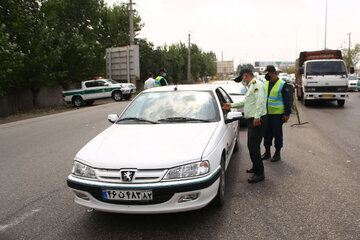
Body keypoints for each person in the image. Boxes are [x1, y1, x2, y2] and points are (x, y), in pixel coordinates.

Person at [223, 69, 267, 183]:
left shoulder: (257, 85)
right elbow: (246, 102)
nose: (242, 81)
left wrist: (257, 117)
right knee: (251, 146)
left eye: (242, 79)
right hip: (252, 120)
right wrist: (231, 105)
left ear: (245, 76)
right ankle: (256, 167)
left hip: (257, 120)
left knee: (254, 148)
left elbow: (261, 102)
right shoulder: (251, 87)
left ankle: (260, 173)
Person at [261, 65, 292, 162]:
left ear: (273, 73)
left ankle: (277, 153)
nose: (266, 75)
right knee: (267, 134)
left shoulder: (282, 84)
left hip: (277, 115)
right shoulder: (266, 84)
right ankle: (267, 152)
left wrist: (287, 114)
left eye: (268, 73)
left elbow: (288, 101)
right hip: (267, 114)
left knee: (277, 134)